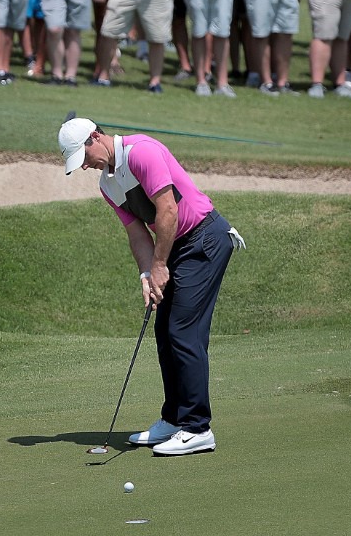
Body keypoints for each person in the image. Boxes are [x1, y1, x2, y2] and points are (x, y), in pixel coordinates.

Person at [57, 115, 243, 456]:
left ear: (95, 137)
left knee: (183, 331)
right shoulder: (107, 184)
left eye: (85, 158)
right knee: (164, 331)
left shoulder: (142, 152)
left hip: (204, 239)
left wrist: (160, 264)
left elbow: (168, 210)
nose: (85, 167)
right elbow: (137, 233)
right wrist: (147, 274)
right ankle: (174, 419)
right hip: (174, 245)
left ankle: (197, 427)